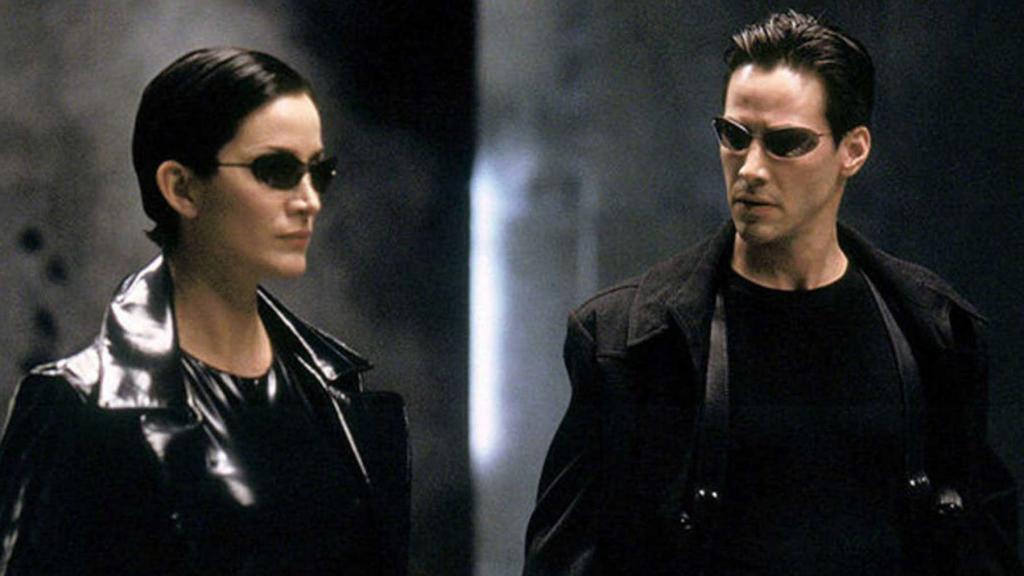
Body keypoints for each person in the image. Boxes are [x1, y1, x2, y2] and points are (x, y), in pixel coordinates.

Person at [522, 11, 1019, 576]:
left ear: (853, 150)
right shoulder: (630, 344)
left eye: (786, 143)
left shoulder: (936, 332)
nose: (751, 169)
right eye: (735, 137)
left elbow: (984, 546)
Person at [0, 47, 409, 575]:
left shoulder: (337, 396)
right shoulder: (77, 406)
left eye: (318, 172)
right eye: (277, 170)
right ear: (181, 187)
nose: (310, 200)